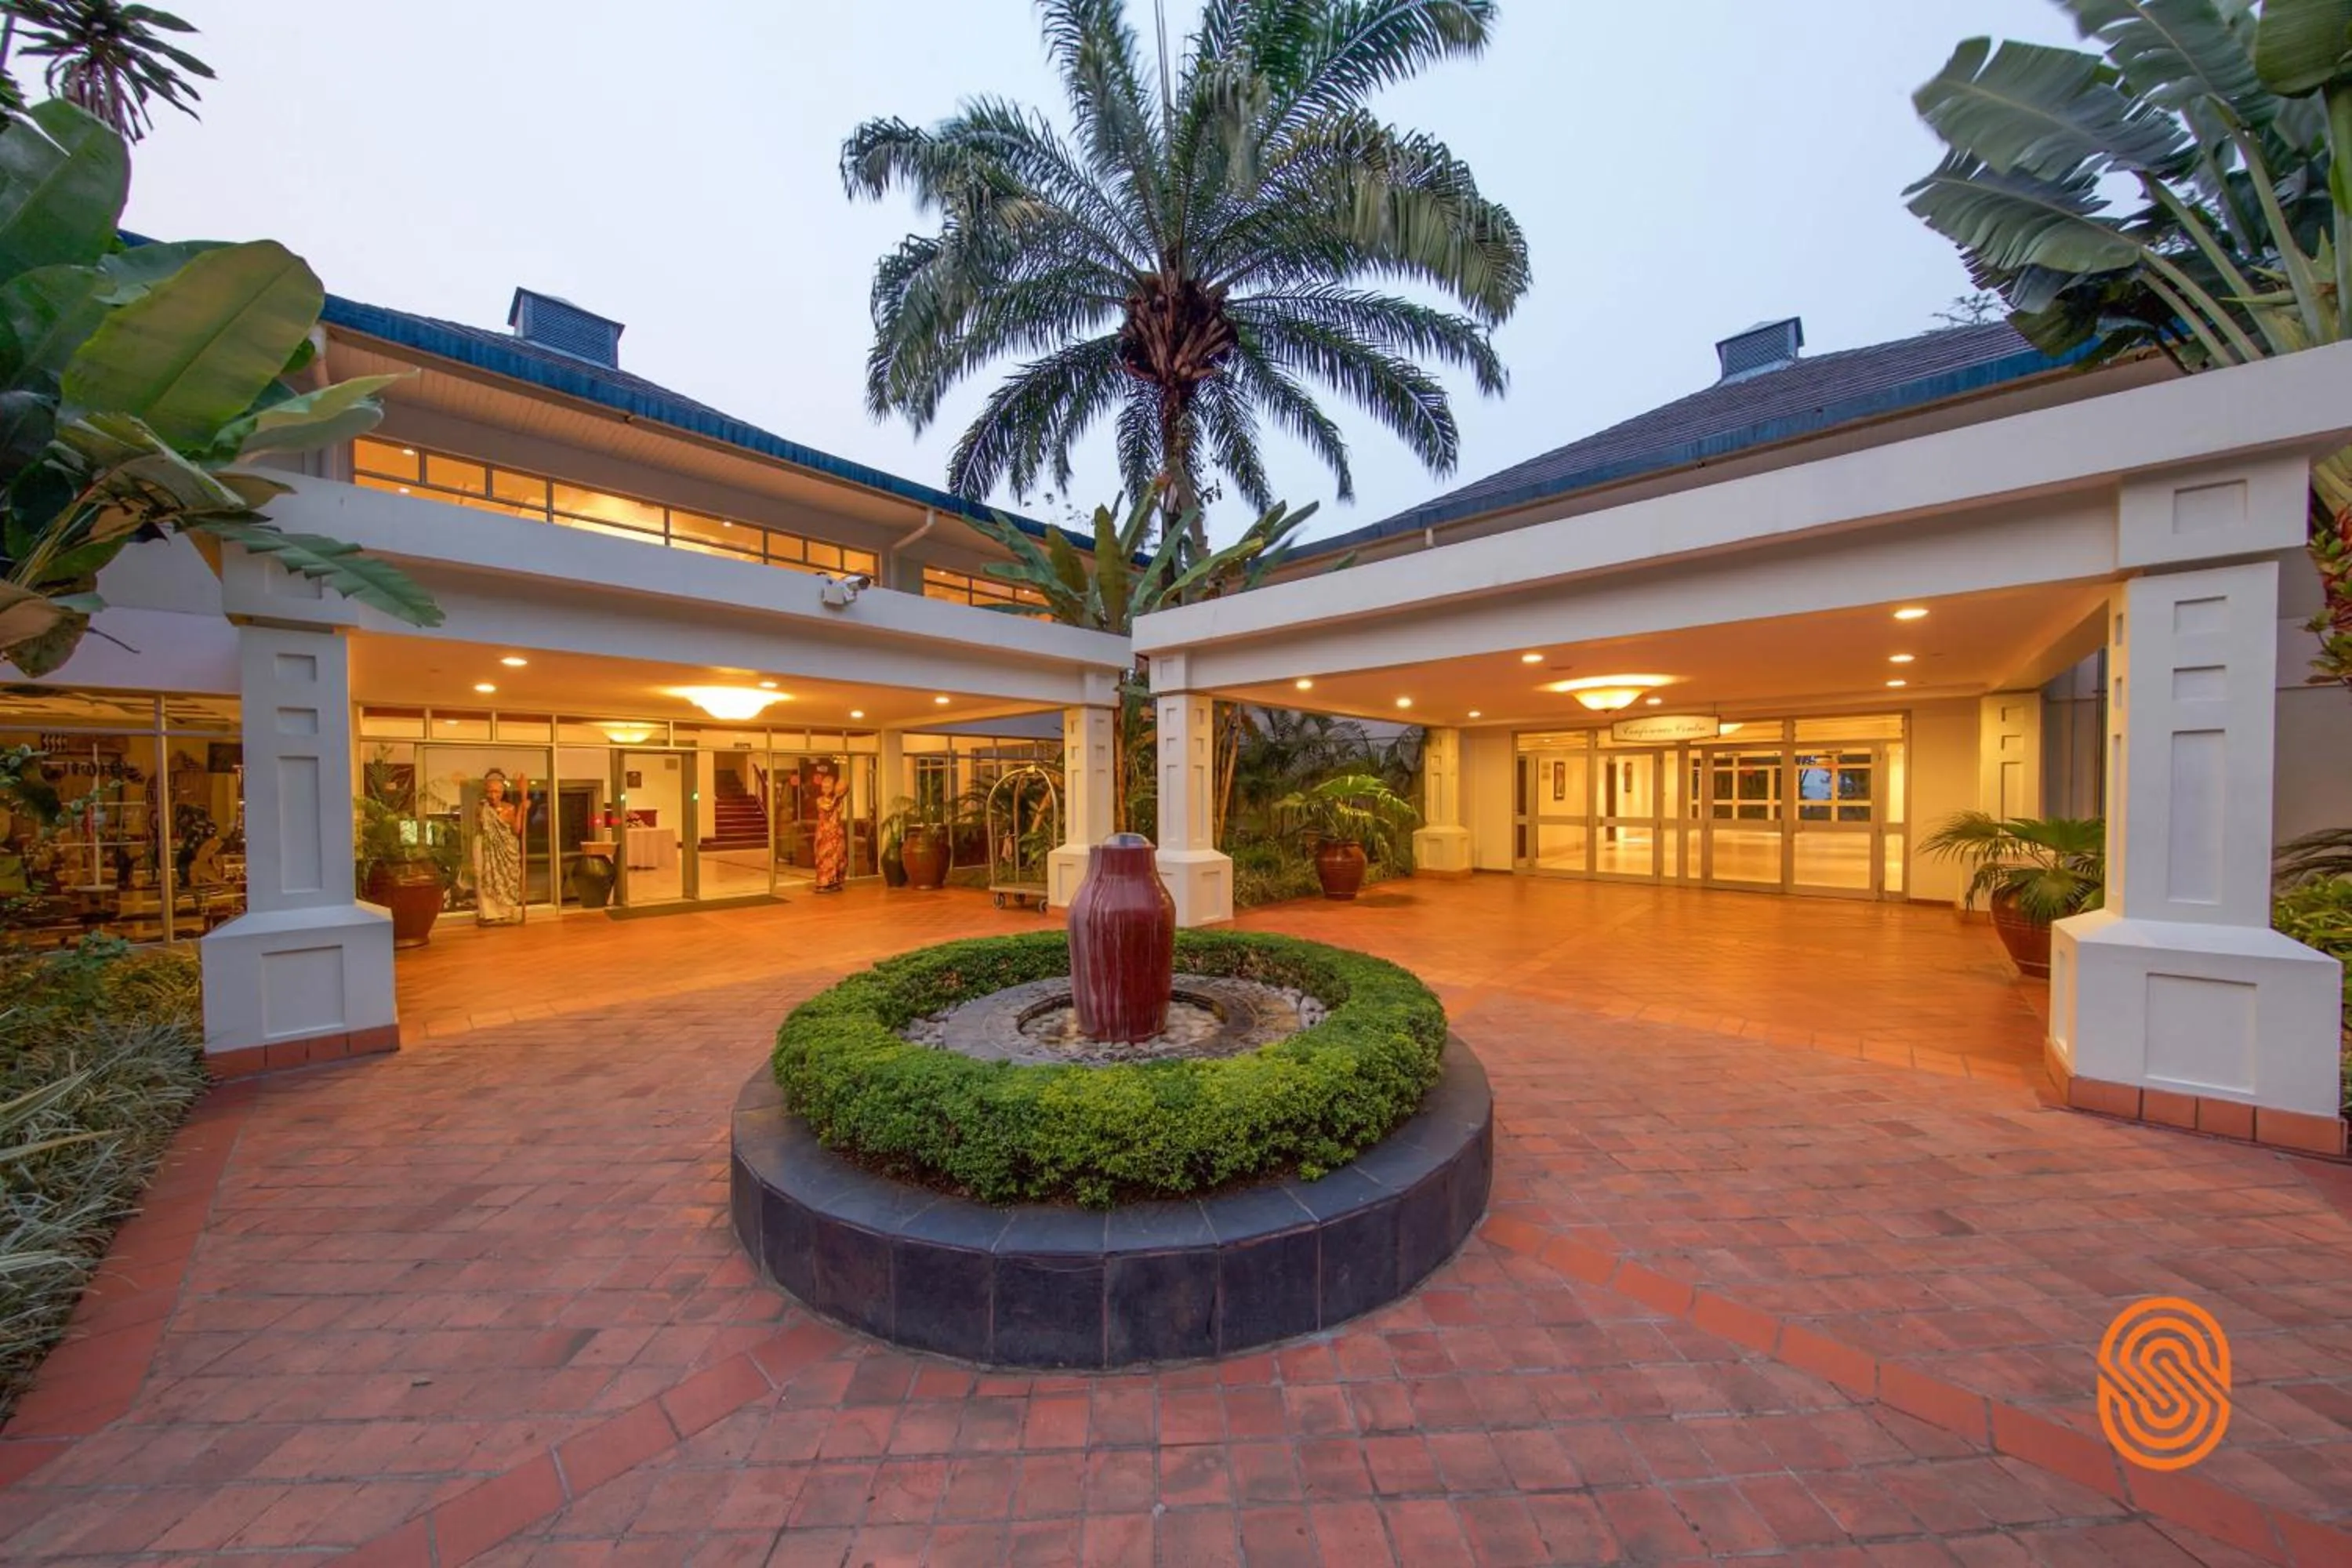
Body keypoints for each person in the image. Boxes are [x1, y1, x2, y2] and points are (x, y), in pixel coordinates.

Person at [474, 768, 528, 925]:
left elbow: (516, 830)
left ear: (502, 792)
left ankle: (505, 912)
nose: (493, 795)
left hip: (506, 848)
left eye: (496, 791)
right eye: (490, 791)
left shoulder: (510, 807)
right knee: (484, 877)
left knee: (505, 880)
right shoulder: (481, 807)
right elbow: (483, 827)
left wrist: (521, 810)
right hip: (486, 847)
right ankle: (489, 914)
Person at [811, 763, 846, 893]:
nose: (826, 788)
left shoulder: (838, 801)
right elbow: (828, 807)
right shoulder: (820, 800)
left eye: (829, 786)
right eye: (824, 786)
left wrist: (839, 796)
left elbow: (839, 811)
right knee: (823, 858)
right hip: (824, 833)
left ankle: (834, 881)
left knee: (837, 857)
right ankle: (823, 882)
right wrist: (838, 796)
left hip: (835, 833)